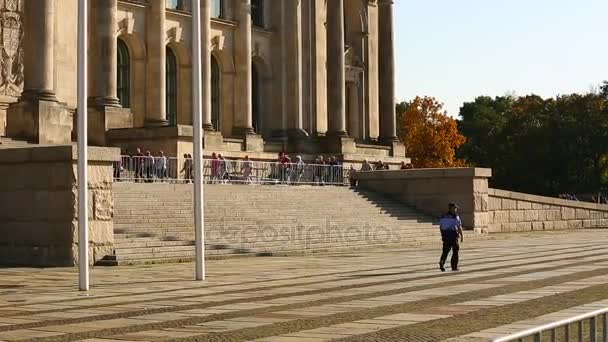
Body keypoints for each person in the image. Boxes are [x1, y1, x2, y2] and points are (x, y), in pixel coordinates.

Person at [439, 203, 463, 272]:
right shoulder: (455, 217)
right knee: (455, 250)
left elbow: (440, 227)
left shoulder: (443, 216)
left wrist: (442, 235)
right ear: (452, 208)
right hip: (452, 235)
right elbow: (459, 227)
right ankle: (454, 266)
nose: (456, 210)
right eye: (455, 208)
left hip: (445, 234)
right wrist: (462, 237)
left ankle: (442, 262)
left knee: (445, 251)